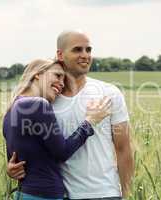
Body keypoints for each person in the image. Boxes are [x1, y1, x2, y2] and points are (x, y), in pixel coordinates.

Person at [7, 30, 134, 199]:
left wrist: (126, 193)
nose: (85, 55)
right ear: (60, 54)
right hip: (63, 194)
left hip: (104, 193)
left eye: (88, 50)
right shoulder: (49, 100)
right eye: (77, 50)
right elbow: (30, 146)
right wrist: (12, 168)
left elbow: (123, 148)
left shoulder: (109, 93)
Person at [3, 59, 112, 200]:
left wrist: (10, 170)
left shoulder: (11, 110)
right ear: (37, 74)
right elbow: (62, 152)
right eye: (57, 76)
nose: (61, 84)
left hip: (24, 193)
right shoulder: (38, 104)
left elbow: (15, 160)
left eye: (64, 80)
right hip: (44, 195)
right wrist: (90, 121)